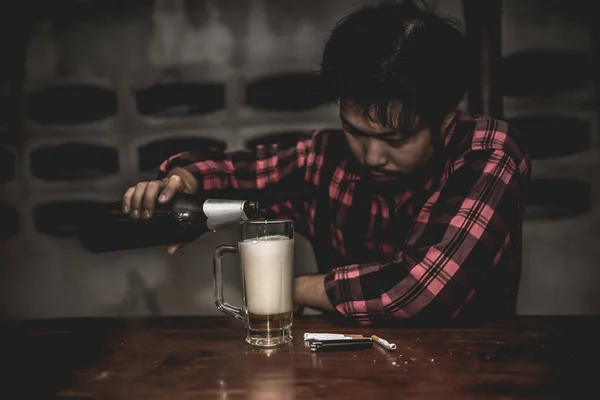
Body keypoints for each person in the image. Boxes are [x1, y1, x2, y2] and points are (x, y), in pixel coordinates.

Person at [122, 0, 530, 326]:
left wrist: (289, 287)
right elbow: (233, 174)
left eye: (395, 139)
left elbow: (417, 292)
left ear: (444, 120)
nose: (371, 156)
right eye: (356, 131)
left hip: (475, 372)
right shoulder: (323, 158)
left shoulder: (488, 152)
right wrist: (179, 182)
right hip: (345, 373)